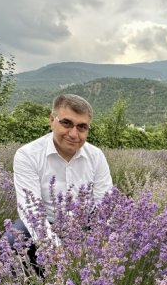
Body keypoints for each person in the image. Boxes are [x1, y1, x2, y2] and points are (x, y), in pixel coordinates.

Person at [10, 94, 113, 248]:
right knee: (11, 242)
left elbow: (104, 202)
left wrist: (104, 238)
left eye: (82, 127)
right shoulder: (28, 155)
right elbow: (30, 209)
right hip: (47, 222)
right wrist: (55, 249)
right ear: (52, 120)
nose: (73, 134)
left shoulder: (96, 156)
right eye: (66, 123)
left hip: (85, 224)